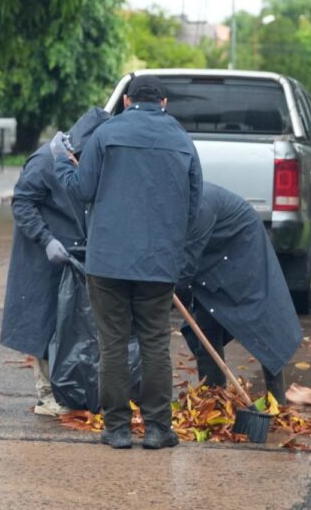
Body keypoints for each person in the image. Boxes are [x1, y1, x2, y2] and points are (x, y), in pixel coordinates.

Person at [50, 75, 202, 449]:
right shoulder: (182, 141)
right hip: (159, 263)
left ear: (128, 102)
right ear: (164, 103)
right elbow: (194, 206)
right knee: (154, 343)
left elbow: (81, 190)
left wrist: (62, 163)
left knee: (113, 343)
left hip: (107, 262)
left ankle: (116, 429)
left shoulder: (106, 134)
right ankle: (156, 429)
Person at [0, 107, 110, 416]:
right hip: (43, 255)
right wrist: (47, 240)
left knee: (71, 327)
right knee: (44, 323)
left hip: (75, 254)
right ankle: (46, 394)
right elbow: (22, 202)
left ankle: (74, 389)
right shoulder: (46, 160)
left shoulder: (91, 160)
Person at [177, 182, 303, 402]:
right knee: (206, 320)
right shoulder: (175, 205)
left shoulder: (200, 208)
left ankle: (277, 400)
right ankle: (213, 398)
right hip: (213, 247)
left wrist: (171, 294)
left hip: (242, 241)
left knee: (261, 317)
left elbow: (185, 266)